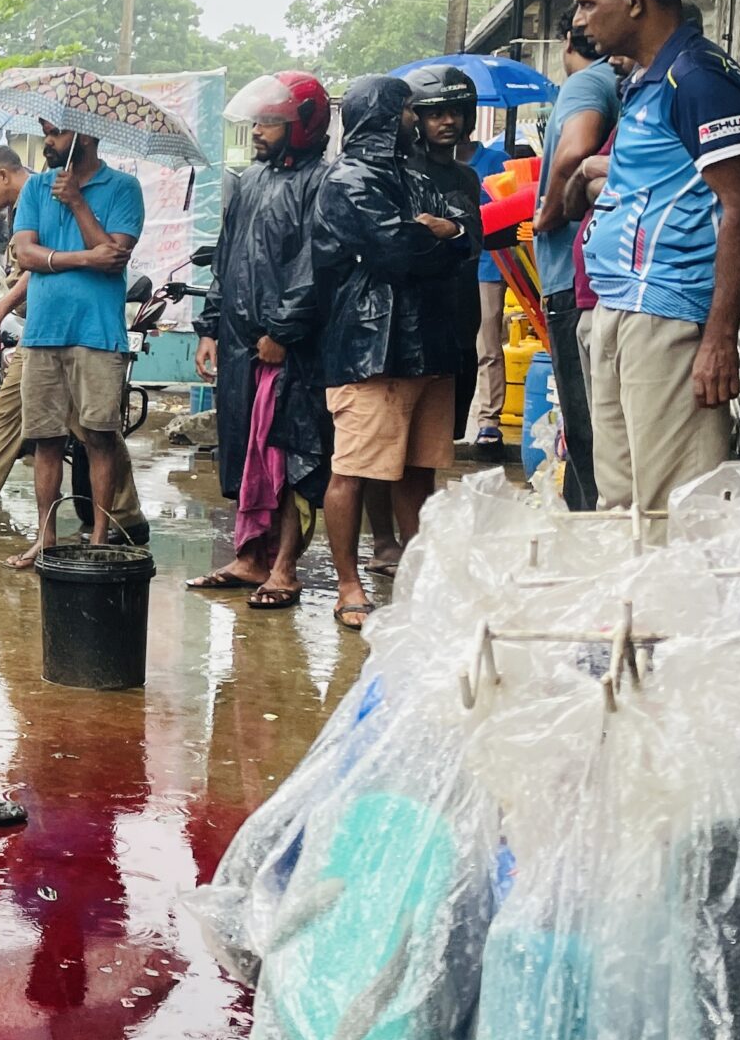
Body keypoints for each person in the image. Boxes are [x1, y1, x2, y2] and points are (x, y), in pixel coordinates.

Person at [570, 0, 740, 512]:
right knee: (619, 505)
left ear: (633, 1)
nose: (579, 21)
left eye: (588, 4)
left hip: (668, 316)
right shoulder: (644, 81)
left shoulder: (700, 78)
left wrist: (720, 338)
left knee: (672, 511)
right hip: (619, 307)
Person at [314, 75, 476, 630]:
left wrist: (447, 231)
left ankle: (418, 576)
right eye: (409, 110)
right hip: (371, 346)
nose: (417, 120)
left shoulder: (418, 176)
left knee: (417, 470)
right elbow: (398, 250)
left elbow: (467, 240)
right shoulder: (347, 180)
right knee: (353, 470)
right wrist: (442, 236)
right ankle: (348, 585)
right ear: (383, 115)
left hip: (429, 344)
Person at [185, 72, 334, 609]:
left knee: (289, 455)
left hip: (289, 348)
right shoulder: (249, 181)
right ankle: (250, 557)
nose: (258, 131)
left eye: (271, 122)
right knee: (246, 452)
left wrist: (283, 332)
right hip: (239, 342)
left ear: (304, 124)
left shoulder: (323, 181)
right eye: (258, 121)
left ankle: (285, 567)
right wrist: (210, 327)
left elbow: (315, 266)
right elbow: (226, 258)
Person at [7, 121, 145, 565]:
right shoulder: (36, 187)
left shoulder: (123, 188)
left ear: (85, 136)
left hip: (97, 334)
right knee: (45, 440)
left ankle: (100, 538)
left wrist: (77, 202)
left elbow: (114, 258)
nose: (48, 142)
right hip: (42, 332)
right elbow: (24, 254)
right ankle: (45, 538)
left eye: (57, 134)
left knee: (100, 437)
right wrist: (85, 258)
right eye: (46, 132)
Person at [528, 26, 623, 511]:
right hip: (602, 280)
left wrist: (547, 214)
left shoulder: (587, 83)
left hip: (573, 281)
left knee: (587, 431)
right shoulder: (623, 84)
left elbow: (573, 150)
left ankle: (588, 534)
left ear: (568, 40)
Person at [402, 65, 504, 445]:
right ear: (417, 118)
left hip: (461, 317)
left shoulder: (467, 177)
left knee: (441, 440)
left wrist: (454, 230)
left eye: (455, 112)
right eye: (435, 114)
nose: (448, 121)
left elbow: (473, 238)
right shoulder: (403, 171)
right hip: (415, 324)